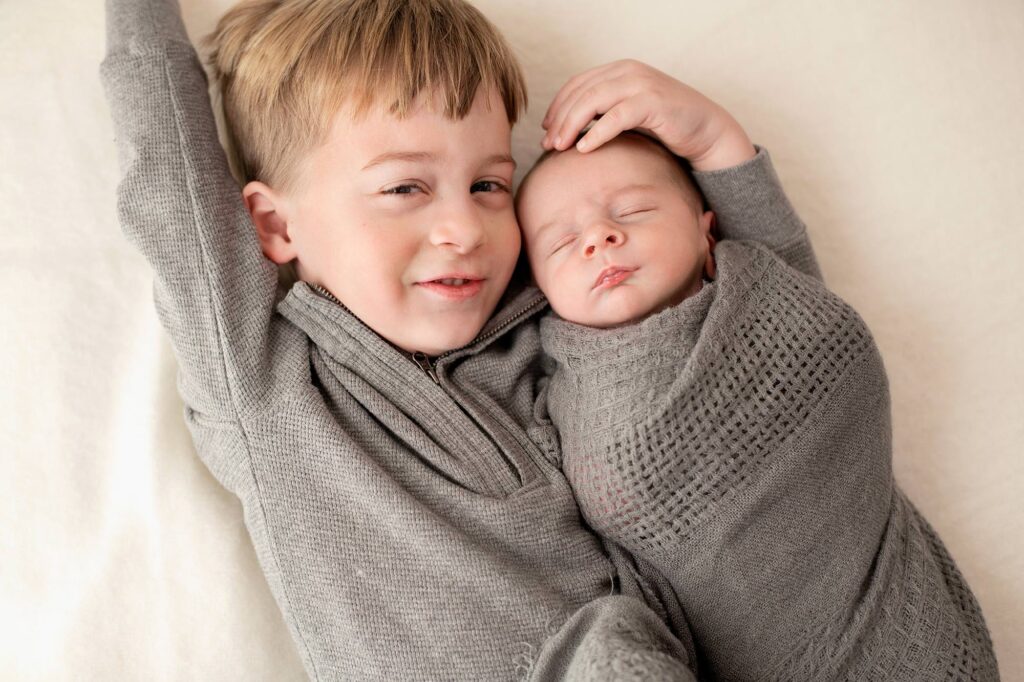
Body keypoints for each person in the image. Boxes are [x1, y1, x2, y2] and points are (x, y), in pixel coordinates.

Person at [100, 0, 719, 679]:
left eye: (488, 184)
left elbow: (773, 368)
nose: (464, 226)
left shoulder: (559, 325)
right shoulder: (266, 382)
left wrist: (721, 152)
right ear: (276, 226)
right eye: (404, 187)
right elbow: (168, 169)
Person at [515, 60, 1000, 680]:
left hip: (900, 623)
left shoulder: (763, 282)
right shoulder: (550, 384)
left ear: (706, 230)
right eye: (561, 242)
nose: (599, 238)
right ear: (538, 288)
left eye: (633, 211)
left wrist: (714, 133)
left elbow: (742, 188)